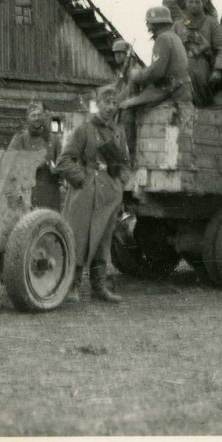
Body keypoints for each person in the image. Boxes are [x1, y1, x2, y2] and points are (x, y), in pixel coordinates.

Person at [54, 85, 131, 304]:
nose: (110, 107)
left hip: (109, 195)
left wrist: (119, 182)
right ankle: (71, 286)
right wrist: (83, 180)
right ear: (98, 103)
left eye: (114, 103)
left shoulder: (119, 131)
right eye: (106, 102)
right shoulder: (84, 130)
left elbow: (126, 164)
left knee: (103, 240)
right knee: (79, 239)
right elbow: (64, 160)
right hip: (85, 194)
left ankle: (99, 286)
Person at [119, 6, 194, 152]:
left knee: (126, 107)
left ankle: (131, 155)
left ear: (156, 23)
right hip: (178, 88)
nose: (147, 25)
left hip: (169, 89)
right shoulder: (172, 37)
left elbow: (156, 72)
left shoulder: (163, 38)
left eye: (148, 22)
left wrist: (136, 75)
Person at [178, 0, 222, 107]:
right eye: (190, 2)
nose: (194, 5)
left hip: (202, 67)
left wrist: (218, 70)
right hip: (181, 67)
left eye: (197, 2)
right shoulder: (182, 24)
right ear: (186, 3)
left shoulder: (211, 23)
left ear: (203, 3)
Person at [6, 101, 61, 167]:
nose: (37, 118)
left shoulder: (53, 139)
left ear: (44, 116)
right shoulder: (20, 138)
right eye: (33, 116)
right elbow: (10, 158)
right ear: (28, 118)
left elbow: (61, 162)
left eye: (39, 115)